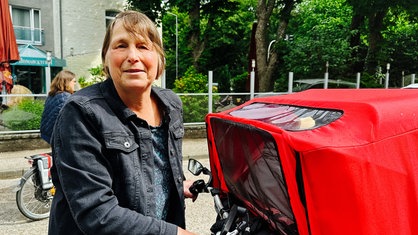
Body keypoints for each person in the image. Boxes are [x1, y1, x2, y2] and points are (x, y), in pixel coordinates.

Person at [48, 10, 197, 235]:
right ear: (106, 60)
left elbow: (154, 168)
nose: (133, 56)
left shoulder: (171, 105)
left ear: (159, 59)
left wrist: (175, 185)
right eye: (121, 46)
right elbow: (97, 213)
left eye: (143, 46)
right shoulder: (81, 112)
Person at [40, 70, 76, 144]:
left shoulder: (52, 95)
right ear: (67, 82)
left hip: (47, 133)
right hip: (57, 136)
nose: (75, 84)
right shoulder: (66, 97)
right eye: (74, 81)